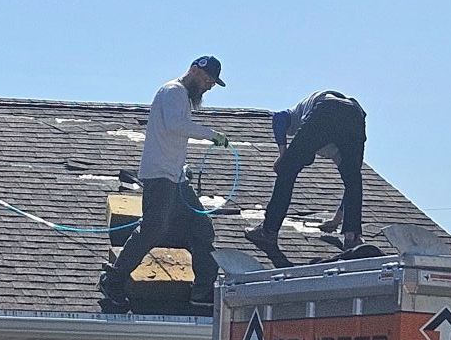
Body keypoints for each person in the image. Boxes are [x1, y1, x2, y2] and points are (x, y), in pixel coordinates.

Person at [99, 57, 229, 312]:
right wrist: (212, 135)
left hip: (175, 177)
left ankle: (202, 292)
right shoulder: (174, 91)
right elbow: (175, 125)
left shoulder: (181, 96)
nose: (208, 87)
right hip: (160, 176)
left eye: (212, 84)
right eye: (206, 80)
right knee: (153, 229)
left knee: (201, 226)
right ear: (194, 71)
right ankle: (113, 280)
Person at [246, 90, 366, 254]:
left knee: (287, 171)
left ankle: (268, 231)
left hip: (327, 107)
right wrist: (337, 219)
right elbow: (351, 188)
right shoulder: (337, 151)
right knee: (353, 180)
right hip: (355, 114)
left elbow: (278, 119)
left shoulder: (294, 115)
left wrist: (283, 156)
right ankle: (352, 238)